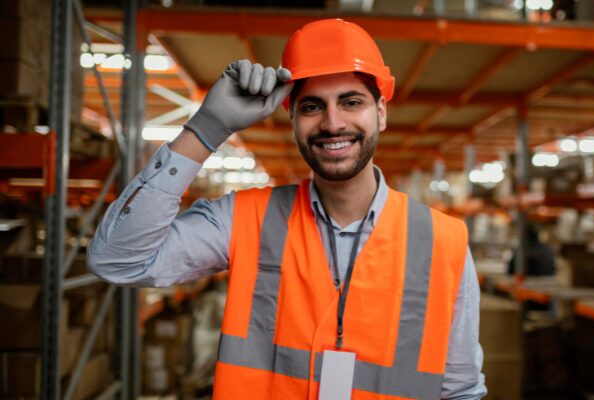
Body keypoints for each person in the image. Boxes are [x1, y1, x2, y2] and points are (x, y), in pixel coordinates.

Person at [88, 18, 486, 399]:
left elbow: (460, 389)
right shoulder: (244, 219)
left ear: (380, 112)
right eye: (312, 107)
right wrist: (207, 128)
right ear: (292, 118)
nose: (333, 123)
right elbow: (118, 260)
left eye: (351, 102)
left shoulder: (443, 243)